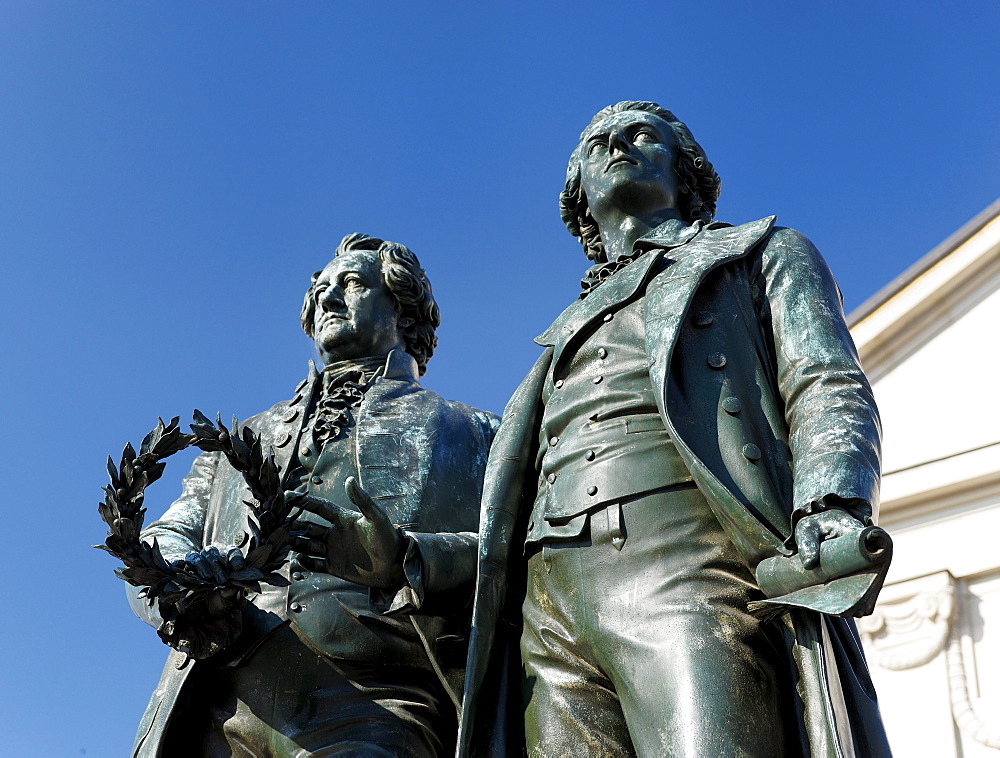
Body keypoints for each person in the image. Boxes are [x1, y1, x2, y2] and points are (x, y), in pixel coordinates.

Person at [458, 102, 891, 757]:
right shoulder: (554, 344)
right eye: (597, 142)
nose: (616, 146)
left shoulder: (760, 252)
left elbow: (824, 379)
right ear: (578, 193)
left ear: (684, 169)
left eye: (640, 135)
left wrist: (830, 500)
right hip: (548, 609)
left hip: (690, 566)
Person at [126, 233, 498, 757]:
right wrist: (177, 582)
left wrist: (408, 560)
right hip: (215, 704)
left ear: (405, 313)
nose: (327, 298)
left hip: (375, 703)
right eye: (322, 288)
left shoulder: (477, 434)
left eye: (351, 284)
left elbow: (522, 554)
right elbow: (169, 533)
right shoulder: (237, 440)